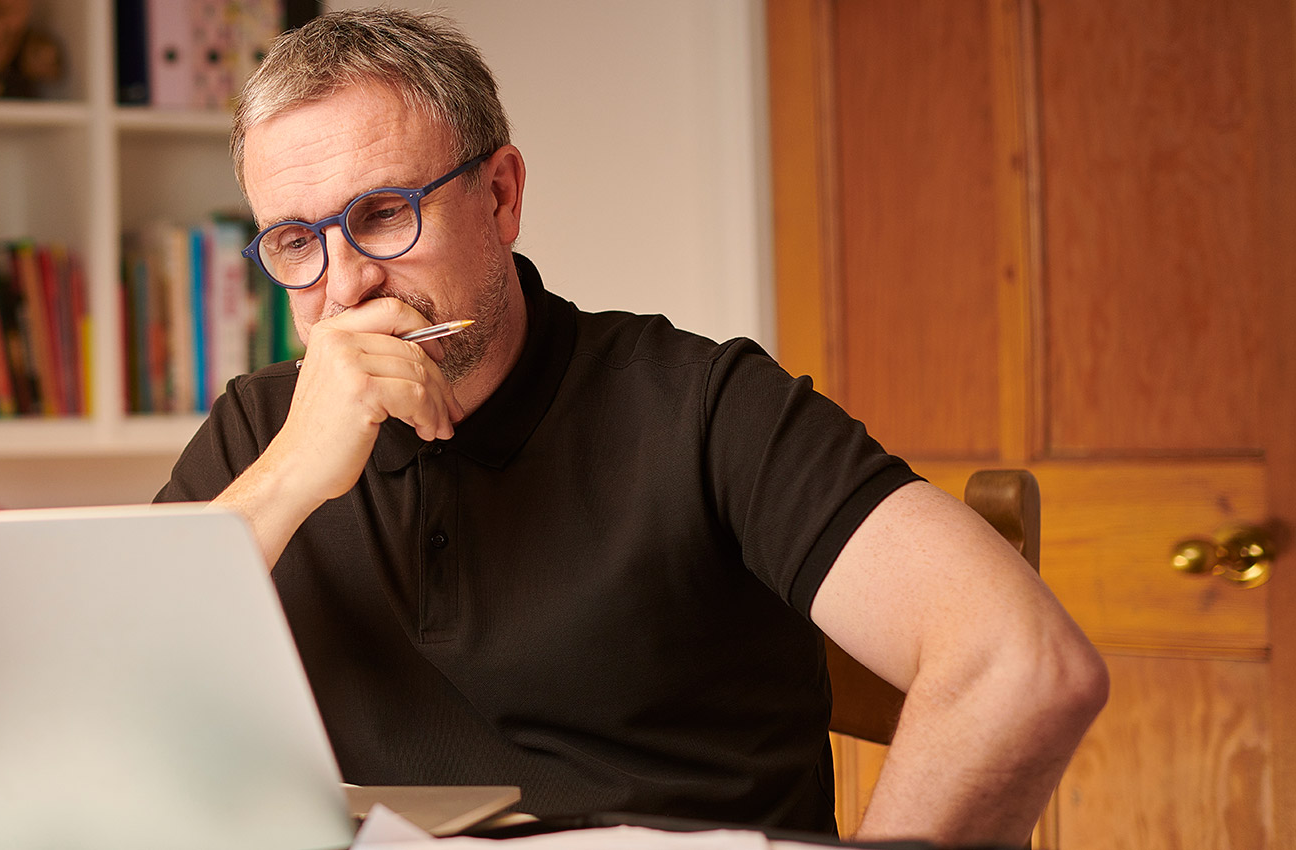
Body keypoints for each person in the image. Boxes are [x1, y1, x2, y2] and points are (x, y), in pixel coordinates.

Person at [156, 9, 1108, 844]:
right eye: (295, 241)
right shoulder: (259, 431)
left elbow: (1021, 663)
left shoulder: (701, 406)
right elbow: (98, 714)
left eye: (382, 214)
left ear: (499, 197)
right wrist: (288, 478)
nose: (348, 282)